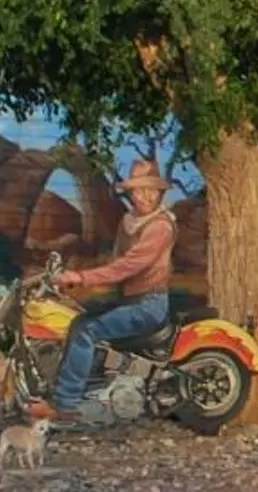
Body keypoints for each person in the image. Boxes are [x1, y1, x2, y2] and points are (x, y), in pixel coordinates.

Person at [50, 159, 177, 424]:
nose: (143, 196)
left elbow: (129, 266)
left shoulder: (160, 226)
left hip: (149, 305)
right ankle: (87, 391)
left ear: (159, 193)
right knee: (77, 320)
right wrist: (78, 274)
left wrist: (82, 277)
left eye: (149, 190)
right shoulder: (128, 221)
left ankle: (66, 405)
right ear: (130, 194)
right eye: (137, 191)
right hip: (129, 299)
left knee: (87, 330)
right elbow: (115, 261)